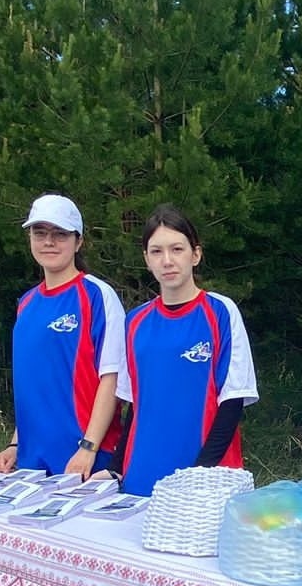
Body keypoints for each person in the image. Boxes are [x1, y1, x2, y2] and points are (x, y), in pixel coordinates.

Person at [110, 204, 258, 497]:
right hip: (141, 478)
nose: (167, 261)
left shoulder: (221, 312)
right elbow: (135, 408)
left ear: (196, 254)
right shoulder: (134, 322)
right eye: (156, 251)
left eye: (177, 249)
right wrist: (116, 467)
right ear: (146, 259)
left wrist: (197, 476)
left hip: (205, 483)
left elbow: (232, 403)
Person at [0, 193, 124, 478]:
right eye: (40, 233)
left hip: (84, 459)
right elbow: (34, 386)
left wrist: (89, 447)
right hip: (32, 460)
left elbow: (112, 379)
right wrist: (15, 444)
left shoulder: (97, 295)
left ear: (78, 241)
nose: (49, 242)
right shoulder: (27, 304)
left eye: (60, 234)